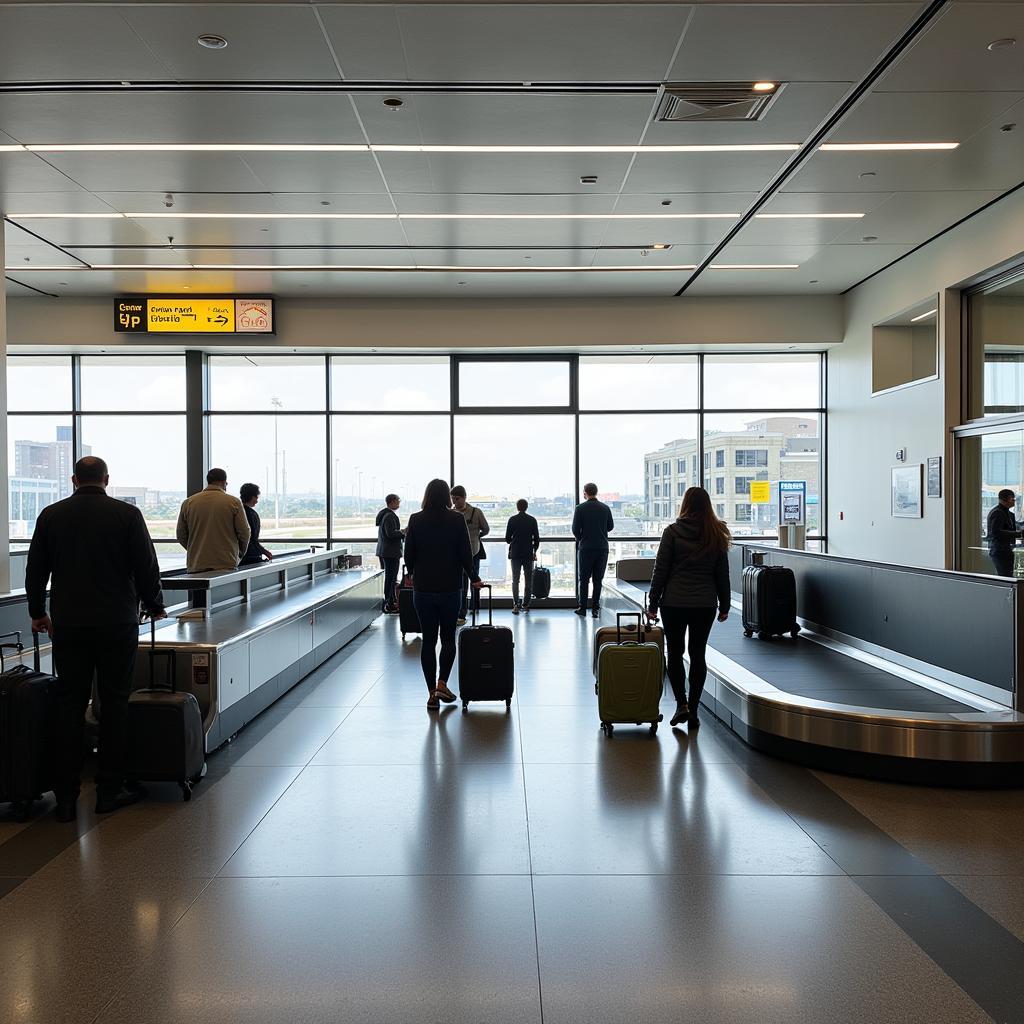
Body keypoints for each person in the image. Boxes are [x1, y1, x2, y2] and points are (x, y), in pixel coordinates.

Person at [25, 456, 166, 822]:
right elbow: (146, 564)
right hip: (117, 623)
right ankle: (108, 790)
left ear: (74, 479)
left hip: (69, 624)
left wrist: (38, 612)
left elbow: (36, 568)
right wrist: (155, 603)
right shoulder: (127, 515)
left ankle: (67, 798)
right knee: (115, 704)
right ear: (106, 479)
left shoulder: (51, 515)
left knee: (69, 704)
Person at [646, 486, 731, 730]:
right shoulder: (716, 534)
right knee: (697, 654)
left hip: (673, 602)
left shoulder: (672, 532)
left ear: (685, 505)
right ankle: (693, 710)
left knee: (674, 652)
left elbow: (660, 570)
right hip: (704, 604)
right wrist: (724, 605)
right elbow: (721, 575)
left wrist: (652, 604)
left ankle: (681, 704)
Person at [403, 479, 481, 709]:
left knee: (428, 640)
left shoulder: (416, 519)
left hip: (423, 589)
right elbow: (465, 554)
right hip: (450, 588)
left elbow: (409, 555)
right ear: (447, 496)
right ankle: (442, 683)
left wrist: (414, 572)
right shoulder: (456, 519)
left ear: (427, 495)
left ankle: (431, 694)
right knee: (448, 639)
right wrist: (474, 578)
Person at [176, 467, 251, 573]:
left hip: (197, 565)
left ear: (208, 481)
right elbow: (244, 532)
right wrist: (238, 554)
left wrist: (195, 550)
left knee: (199, 589)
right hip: (226, 564)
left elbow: (181, 534)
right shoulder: (233, 502)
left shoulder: (188, 503)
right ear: (224, 483)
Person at [572, 482, 614, 617]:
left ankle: (582, 608)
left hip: (586, 548)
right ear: (596, 492)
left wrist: (581, 539)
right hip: (602, 548)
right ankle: (595, 608)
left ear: (585, 493)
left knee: (584, 579)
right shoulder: (605, 508)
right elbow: (610, 527)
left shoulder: (580, 508)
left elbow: (575, 529)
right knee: (598, 580)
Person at [451, 484, 490, 625]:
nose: (455, 502)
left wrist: (477, 536)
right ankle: (462, 612)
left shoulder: (476, 512)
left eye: (457, 499)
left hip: (474, 551)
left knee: (474, 580)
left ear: (464, 497)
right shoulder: (452, 513)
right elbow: (485, 529)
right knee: (461, 584)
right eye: (453, 499)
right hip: (459, 553)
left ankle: (475, 605)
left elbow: (486, 529)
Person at [505, 498, 540, 614]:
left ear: (517, 507)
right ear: (526, 507)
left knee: (516, 580)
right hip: (528, 553)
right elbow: (537, 539)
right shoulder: (532, 520)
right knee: (528, 580)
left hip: (515, 553)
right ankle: (526, 605)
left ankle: (516, 604)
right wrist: (534, 551)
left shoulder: (512, 520)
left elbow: (507, 538)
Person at [375, 493, 404, 613]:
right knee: (391, 578)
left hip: (385, 551)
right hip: (390, 552)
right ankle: (389, 603)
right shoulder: (389, 516)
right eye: (398, 500)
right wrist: (403, 532)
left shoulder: (384, 515)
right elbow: (391, 534)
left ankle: (390, 601)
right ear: (392, 502)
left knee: (390, 578)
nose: (399, 503)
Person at [987, 489, 1021, 578]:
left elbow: (1014, 528)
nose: (1014, 501)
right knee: (1005, 577)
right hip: (999, 551)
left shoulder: (1009, 514)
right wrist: (1018, 534)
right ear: (1006, 499)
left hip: (1007, 550)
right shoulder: (997, 512)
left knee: (1008, 575)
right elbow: (995, 532)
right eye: (1012, 499)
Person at [239, 483, 274, 567]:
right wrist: (264, 551)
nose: (257, 501)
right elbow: (253, 539)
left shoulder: (236, 511)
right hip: (251, 557)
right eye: (257, 497)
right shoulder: (251, 514)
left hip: (238, 557)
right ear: (252, 497)